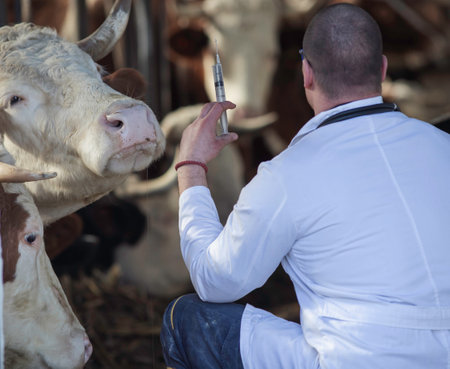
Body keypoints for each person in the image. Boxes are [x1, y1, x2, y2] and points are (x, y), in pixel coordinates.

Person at [160, 3, 450, 369]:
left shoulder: (285, 174)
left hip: (355, 361)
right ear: (382, 68)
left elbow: (215, 281)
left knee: (187, 318)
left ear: (306, 73)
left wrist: (191, 166)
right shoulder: (443, 146)